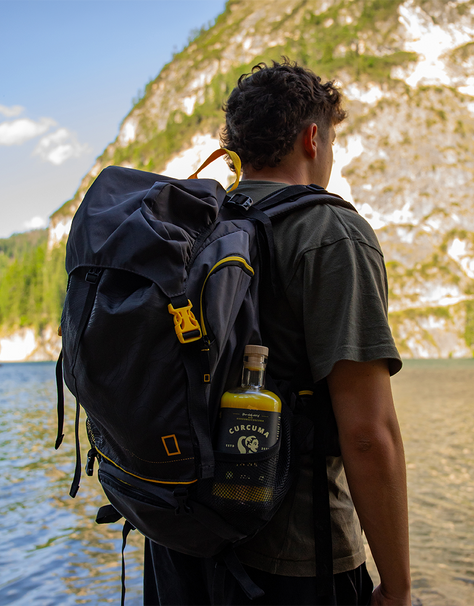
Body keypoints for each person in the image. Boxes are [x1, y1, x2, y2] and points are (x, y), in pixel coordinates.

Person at [141, 60, 412, 606]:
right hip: (293, 562)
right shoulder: (331, 233)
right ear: (314, 138)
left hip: (176, 546)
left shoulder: (191, 228)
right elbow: (367, 433)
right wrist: (400, 590)